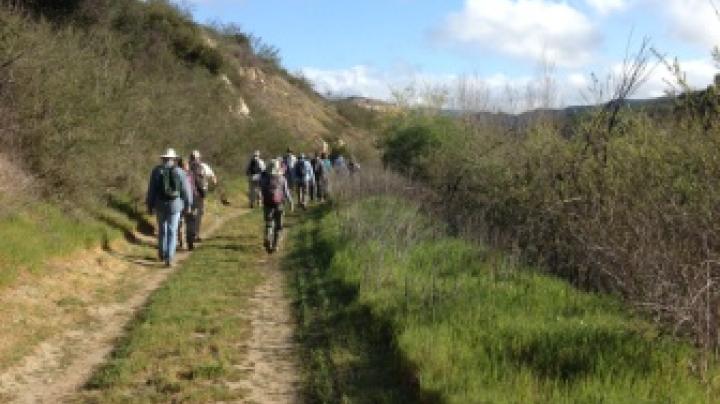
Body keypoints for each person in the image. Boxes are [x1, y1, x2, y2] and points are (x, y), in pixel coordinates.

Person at [146, 148, 192, 267]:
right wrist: (188, 204)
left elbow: (152, 190)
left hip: (160, 204)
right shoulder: (180, 171)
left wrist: (150, 205)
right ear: (174, 159)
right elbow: (186, 190)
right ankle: (169, 257)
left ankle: (162, 253)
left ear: (163, 158)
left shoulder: (156, 171)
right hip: (175, 205)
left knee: (162, 230)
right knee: (172, 231)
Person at [260, 159, 294, 253]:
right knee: (278, 226)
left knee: (269, 224)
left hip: (267, 204)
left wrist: (261, 200)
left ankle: (267, 238)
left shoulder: (264, 178)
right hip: (279, 205)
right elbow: (286, 192)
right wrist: (291, 202)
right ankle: (275, 245)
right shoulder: (282, 178)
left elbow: (262, 191)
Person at [189, 150, 217, 242]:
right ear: (199, 158)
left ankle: (189, 233)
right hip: (201, 194)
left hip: (189, 194)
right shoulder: (204, 166)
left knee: (190, 213)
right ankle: (195, 233)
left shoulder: (186, 166)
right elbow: (213, 177)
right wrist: (213, 184)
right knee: (199, 214)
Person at [179, 158, 198, 250]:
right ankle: (187, 243)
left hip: (181, 201)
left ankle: (184, 242)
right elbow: (193, 189)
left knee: (182, 222)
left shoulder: (177, 174)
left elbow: (193, 188)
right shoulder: (190, 174)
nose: (186, 166)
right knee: (188, 223)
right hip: (188, 201)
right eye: (185, 165)